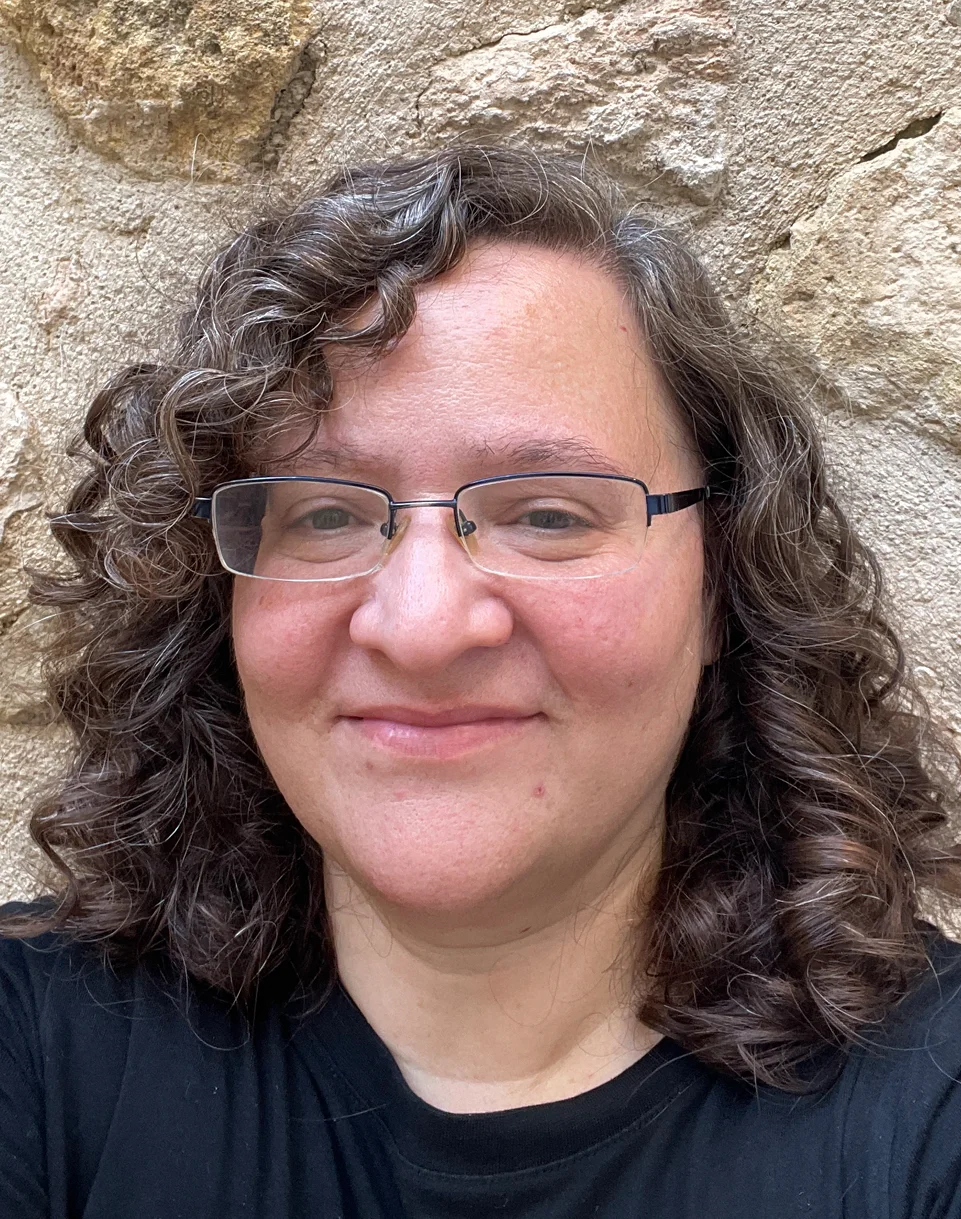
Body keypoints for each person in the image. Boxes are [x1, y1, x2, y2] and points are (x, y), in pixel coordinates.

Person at [1, 144, 960, 1219]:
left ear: (718, 584)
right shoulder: (33, 1047)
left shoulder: (931, 1112)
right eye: (324, 513)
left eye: (548, 513)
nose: (421, 628)